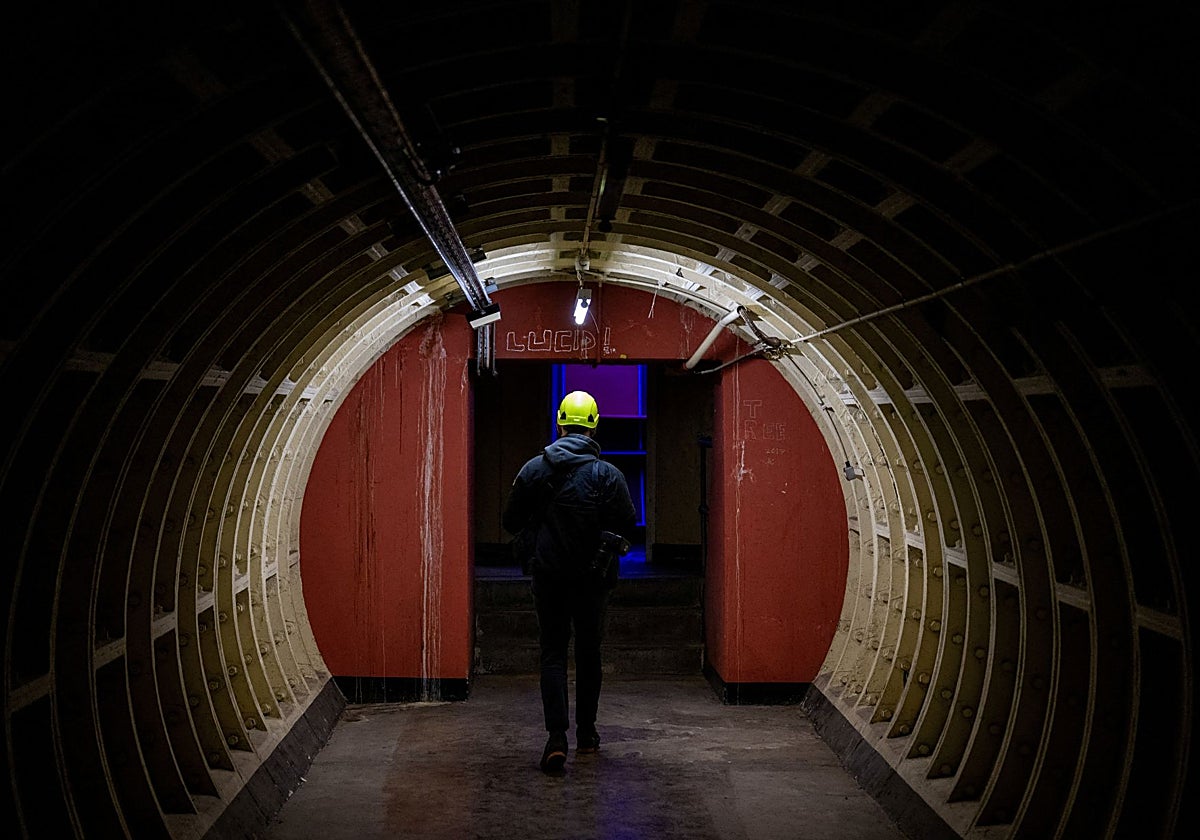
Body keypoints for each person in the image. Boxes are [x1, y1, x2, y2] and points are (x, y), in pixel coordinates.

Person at [502, 389, 637, 773]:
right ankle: (588, 734)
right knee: (589, 653)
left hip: (549, 578)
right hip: (594, 580)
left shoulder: (533, 470)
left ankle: (556, 737)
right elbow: (628, 526)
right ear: (594, 427)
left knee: (553, 654)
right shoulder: (608, 475)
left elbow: (510, 522)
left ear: (560, 423)